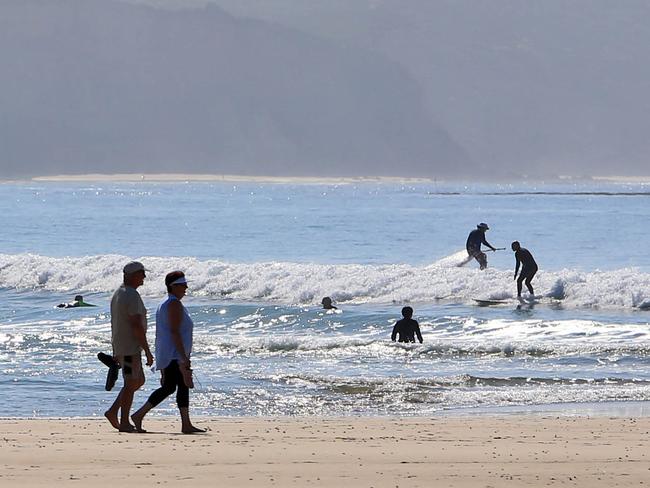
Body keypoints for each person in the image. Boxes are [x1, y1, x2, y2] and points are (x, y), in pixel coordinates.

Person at [131, 271, 204, 434]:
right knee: (172, 387)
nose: (186, 288)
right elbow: (174, 332)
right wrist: (183, 357)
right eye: (183, 285)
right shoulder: (173, 304)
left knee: (173, 387)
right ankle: (139, 415)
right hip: (174, 354)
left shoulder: (168, 303)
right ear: (173, 286)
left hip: (170, 353)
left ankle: (185, 423)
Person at [104, 261, 153, 432]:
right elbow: (136, 325)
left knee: (137, 381)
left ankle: (113, 411)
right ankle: (123, 421)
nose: (144, 277)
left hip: (121, 343)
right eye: (141, 273)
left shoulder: (119, 292)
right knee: (132, 382)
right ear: (132, 275)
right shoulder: (131, 295)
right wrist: (147, 350)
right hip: (130, 345)